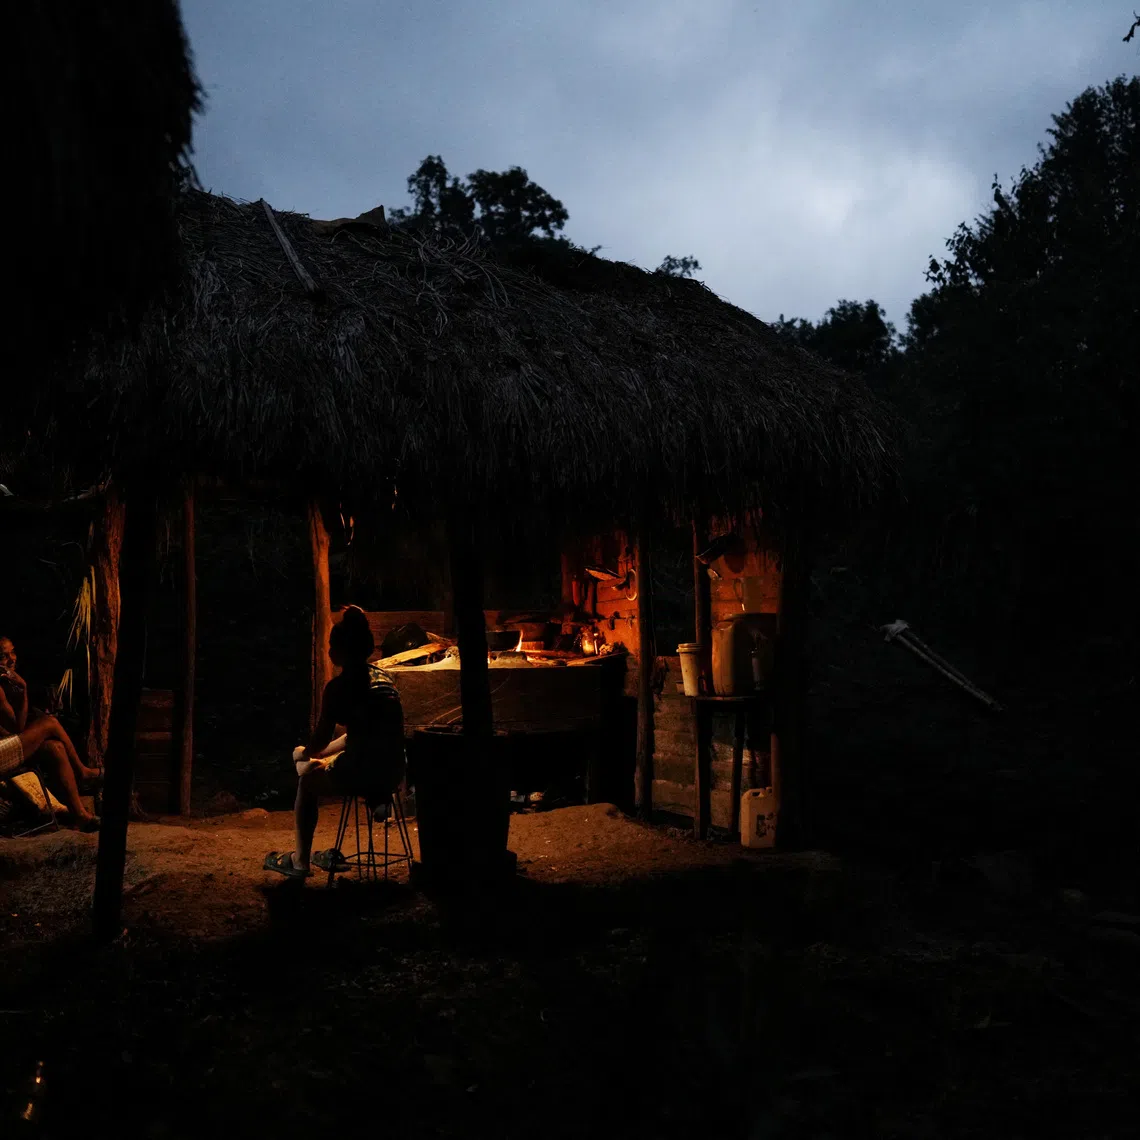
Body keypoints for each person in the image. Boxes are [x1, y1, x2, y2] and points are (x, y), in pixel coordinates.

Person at [264, 606, 404, 878]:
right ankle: (378, 802)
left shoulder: (339, 689)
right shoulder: (384, 680)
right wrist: (318, 756)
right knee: (334, 761)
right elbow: (360, 736)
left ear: (339, 650)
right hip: (393, 772)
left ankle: (300, 861)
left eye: (331, 644)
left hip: (362, 771)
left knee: (307, 781)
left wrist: (303, 753)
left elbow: (318, 742)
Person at [1, 636, 102, 831]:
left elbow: (13, 728)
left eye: (12, 652)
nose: (11, 659)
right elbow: (17, 728)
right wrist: (24, 690)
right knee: (50, 723)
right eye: (3, 656)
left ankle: (80, 815)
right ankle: (82, 771)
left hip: (5, 747)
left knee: (54, 747)